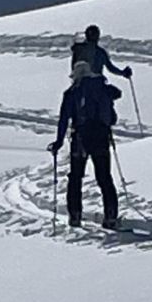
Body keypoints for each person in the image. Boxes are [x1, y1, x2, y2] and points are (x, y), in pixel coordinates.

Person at [48, 61, 121, 229]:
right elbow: (117, 97)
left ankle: (75, 216)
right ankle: (110, 217)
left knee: (75, 177)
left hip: (80, 139)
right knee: (104, 177)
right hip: (101, 137)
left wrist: (58, 142)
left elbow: (64, 119)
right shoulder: (102, 88)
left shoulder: (72, 93)